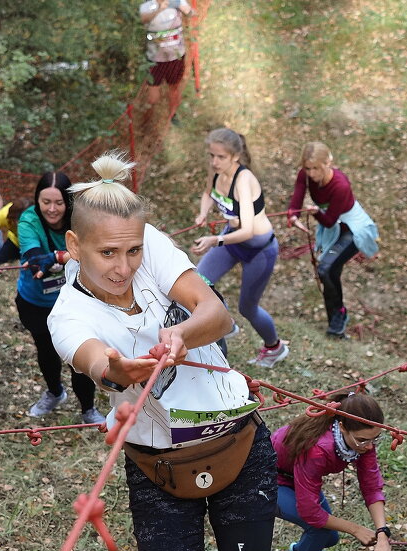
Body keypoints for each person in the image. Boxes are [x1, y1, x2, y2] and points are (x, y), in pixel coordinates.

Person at [48, 151, 291, 551]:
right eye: (107, 255)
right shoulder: (66, 313)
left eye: (131, 252)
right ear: (74, 246)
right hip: (158, 469)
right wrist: (120, 369)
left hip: (238, 445)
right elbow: (91, 354)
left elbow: (216, 312)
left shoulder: (147, 242)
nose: (124, 266)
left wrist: (184, 336)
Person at [272, 392, 398, 551]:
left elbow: (371, 485)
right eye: (363, 440)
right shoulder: (319, 448)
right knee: (319, 529)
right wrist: (356, 529)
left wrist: (382, 532)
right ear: (341, 427)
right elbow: (311, 512)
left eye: (375, 439)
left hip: (298, 476)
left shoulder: (362, 440)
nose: (369, 446)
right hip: (269, 479)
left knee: (330, 537)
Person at [192, 128, 287, 368]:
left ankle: (275, 347)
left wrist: (214, 240)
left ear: (235, 156)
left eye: (220, 157)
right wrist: (203, 213)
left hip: (259, 249)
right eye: (211, 155)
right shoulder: (216, 172)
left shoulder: (244, 180)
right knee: (198, 282)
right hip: (231, 239)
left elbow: (248, 230)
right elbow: (207, 193)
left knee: (248, 307)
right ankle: (225, 323)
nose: (214, 161)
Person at [16, 172, 104, 424]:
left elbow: (92, 251)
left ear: (69, 202)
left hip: (76, 300)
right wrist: (55, 257)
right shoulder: (29, 220)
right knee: (45, 350)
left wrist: (54, 257)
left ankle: (88, 409)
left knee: (80, 353)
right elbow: (34, 261)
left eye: (58, 203)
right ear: (37, 200)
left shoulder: (80, 220)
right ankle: (55, 392)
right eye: (45, 202)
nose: (52, 209)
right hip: (36, 301)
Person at [286, 142, 379, 338]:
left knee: (326, 269)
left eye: (316, 168)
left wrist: (317, 213)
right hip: (334, 226)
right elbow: (297, 197)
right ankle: (336, 324)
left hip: (353, 229)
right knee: (329, 271)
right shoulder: (305, 175)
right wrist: (293, 215)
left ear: (328, 162)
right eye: (308, 168)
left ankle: (339, 315)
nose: (311, 174)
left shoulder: (340, 186)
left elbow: (328, 221)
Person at [138, 0, 194, 123]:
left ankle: (173, 116)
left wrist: (184, 9)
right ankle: (147, 121)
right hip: (155, 59)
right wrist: (159, 9)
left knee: (174, 88)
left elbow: (190, 13)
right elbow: (143, 19)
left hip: (175, 57)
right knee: (152, 97)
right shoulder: (146, 5)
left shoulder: (177, 1)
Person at [0, 200, 28, 267]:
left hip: (35, 245)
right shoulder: (3, 216)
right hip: (15, 242)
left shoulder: (40, 219)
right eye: (15, 222)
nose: (17, 224)